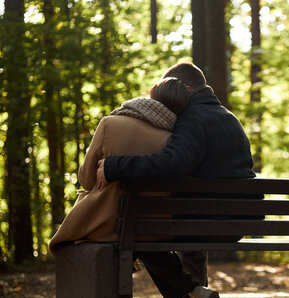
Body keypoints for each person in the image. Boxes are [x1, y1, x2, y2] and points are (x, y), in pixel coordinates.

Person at [95, 62, 256, 298]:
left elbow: (172, 164)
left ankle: (193, 290)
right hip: (241, 219)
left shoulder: (193, 119)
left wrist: (115, 165)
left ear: (188, 89)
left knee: (138, 231)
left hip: (209, 220)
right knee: (187, 219)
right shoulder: (228, 117)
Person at [49, 77, 190, 253]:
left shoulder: (110, 124)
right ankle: (186, 282)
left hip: (109, 226)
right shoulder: (173, 140)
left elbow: (86, 180)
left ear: (152, 91)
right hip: (156, 229)